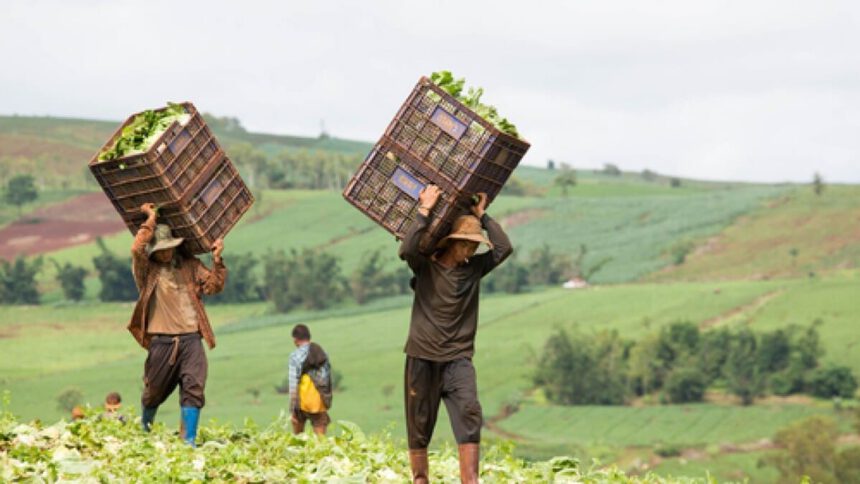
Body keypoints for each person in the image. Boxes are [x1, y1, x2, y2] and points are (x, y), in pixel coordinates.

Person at [398, 186, 512, 483]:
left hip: (458, 360)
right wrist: (424, 210)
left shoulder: (474, 269)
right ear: (454, 242)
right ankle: (420, 479)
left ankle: (470, 480)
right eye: (467, 245)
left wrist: (482, 216)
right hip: (422, 357)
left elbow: (503, 248)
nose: (471, 252)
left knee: (470, 412)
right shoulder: (426, 266)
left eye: (475, 247)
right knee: (419, 423)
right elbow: (407, 250)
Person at [129, 203, 227, 446]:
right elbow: (137, 249)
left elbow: (213, 286)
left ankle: (188, 441)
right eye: (160, 250)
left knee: (194, 387)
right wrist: (150, 218)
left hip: (191, 339)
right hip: (162, 342)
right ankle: (144, 430)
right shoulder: (147, 271)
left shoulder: (190, 266)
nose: (166, 254)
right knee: (154, 392)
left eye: (169, 249)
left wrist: (217, 260)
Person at [288, 324, 333, 436]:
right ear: (309, 337)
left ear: (295, 339)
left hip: (301, 403)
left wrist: (292, 410)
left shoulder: (294, 356)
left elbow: (293, 385)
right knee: (321, 441)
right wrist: (326, 400)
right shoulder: (322, 352)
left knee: (298, 439)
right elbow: (326, 379)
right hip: (318, 401)